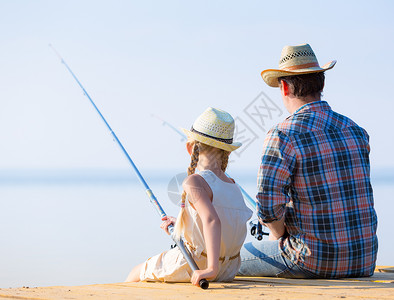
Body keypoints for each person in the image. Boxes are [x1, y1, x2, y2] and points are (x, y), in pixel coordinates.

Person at [238, 44, 378, 279]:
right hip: (363, 261)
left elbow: (268, 207)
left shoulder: (283, 134)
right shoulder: (356, 130)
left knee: (227, 258)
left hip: (310, 261)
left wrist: (278, 235)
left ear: (283, 87)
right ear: (321, 83)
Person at [126, 107, 252, 286]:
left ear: (190, 147)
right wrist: (179, 225)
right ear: (228, 153)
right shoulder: (233, 186)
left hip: (198, 264)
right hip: (230, 268)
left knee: (136, 272)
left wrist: (211, 269)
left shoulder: (194, 182)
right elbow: (219, 222)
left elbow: (212, 221)